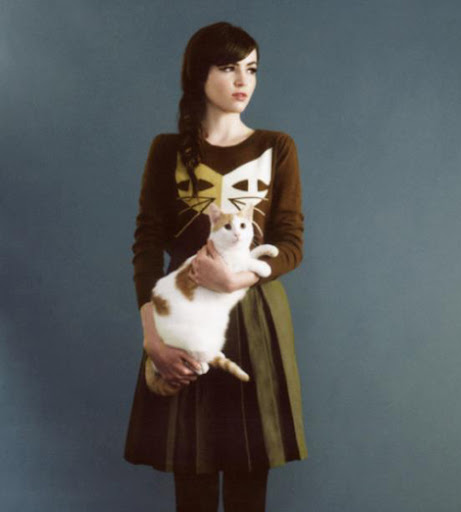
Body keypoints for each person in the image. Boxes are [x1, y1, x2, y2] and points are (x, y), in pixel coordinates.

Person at [124, 21, 308, 512]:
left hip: (258, 322)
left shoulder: (277, 147)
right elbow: (147, 245)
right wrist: (151, 336)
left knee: (250, 481)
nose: (243, 80)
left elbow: (291, 244)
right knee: (194, 479)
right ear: (198, 75)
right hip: (183, 320)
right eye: (229, 68)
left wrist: (236, 278)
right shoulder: (167, 150)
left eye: (252, 68)